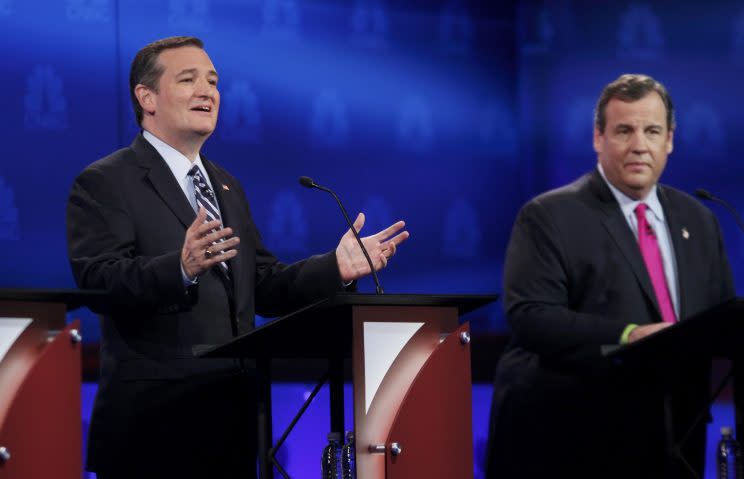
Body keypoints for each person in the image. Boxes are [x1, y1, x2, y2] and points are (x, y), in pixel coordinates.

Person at [66, 36, 409, 478]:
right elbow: (100, 281)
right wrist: (181, 267)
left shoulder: (226, 185)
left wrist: (335, 267)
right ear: (146, 97)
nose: (207, 91)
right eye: (188, 79)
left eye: (213, 81)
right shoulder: (105, 182)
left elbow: (262, 285)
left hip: (233, 423)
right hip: (155, 429)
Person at [486, 74, 735, 478]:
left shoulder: (699, 219)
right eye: (624, 130)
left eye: (652, 131)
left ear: (670, 139)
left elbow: (721, 318)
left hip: (679, 430)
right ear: (598, 138)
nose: (640, 144)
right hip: (579, 432)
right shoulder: (550, 215)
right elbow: (530, 316)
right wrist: (629, 336)